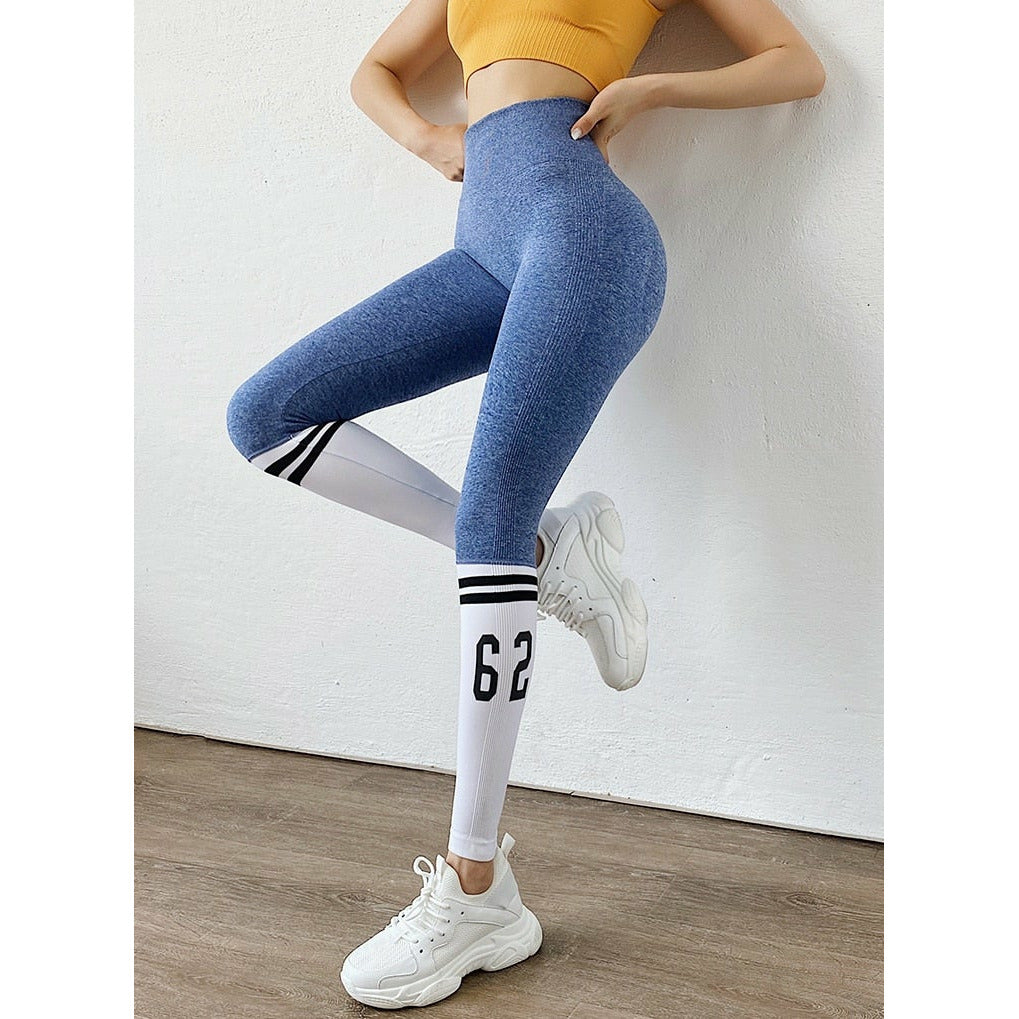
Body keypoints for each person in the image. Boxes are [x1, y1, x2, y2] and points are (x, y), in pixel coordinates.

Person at [225, 0, 825, 1008]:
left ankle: (476, 889)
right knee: (267, 415)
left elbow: (793, 63)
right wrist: (429, 139)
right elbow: (376, 69)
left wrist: (651, 88)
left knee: (486, 529)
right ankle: (547, 553)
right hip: (484, 244)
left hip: (583, 233)